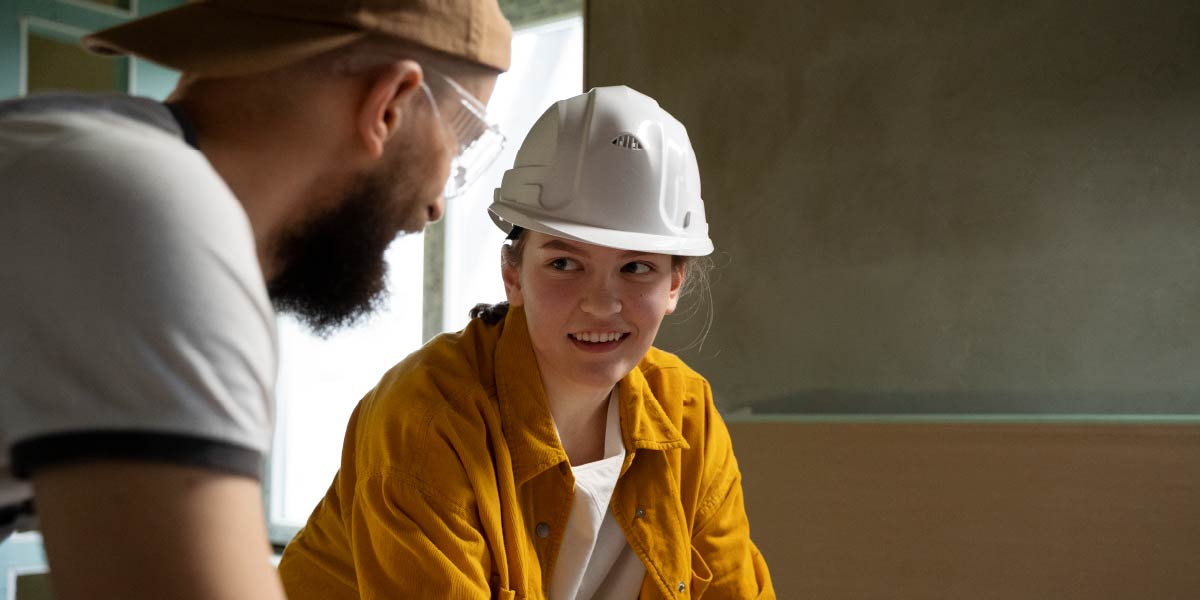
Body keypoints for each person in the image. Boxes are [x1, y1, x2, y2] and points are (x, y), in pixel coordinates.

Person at [0, 2, 511, 599]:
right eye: (462, 140)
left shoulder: (61, 151)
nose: (436, 206)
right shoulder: (150, 214)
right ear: (390, 104)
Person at [278, 86, 775, 599]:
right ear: (512, 274)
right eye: (565, 263)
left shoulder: (686, 414)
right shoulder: (426, 422)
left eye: (636, 267)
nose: (602, 304)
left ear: (673, 284)